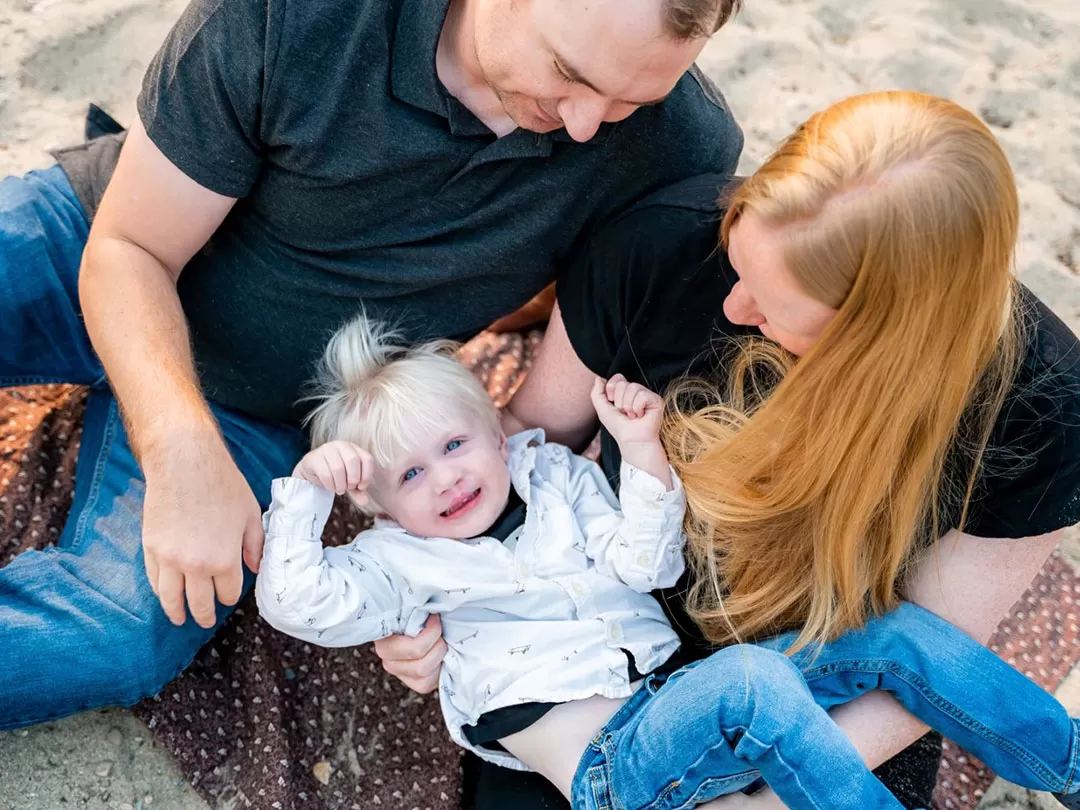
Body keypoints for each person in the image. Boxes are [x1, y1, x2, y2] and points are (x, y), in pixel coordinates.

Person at [0, 0, 745, 727]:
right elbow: (133, 248)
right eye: (568, 73)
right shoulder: (300, 15)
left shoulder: (681, 143)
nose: (588, 123)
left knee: (116, 636)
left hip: (266, 412)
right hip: (104, 250)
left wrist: (474, 588)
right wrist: (178, 450)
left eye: (630, 101)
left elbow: (581, 344)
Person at [376, 90, 1080, 810]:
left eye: (776, 309)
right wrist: (426, 615)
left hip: (830, 673)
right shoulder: (658, 245)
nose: (736, 309)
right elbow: (530, 440)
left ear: (880, 341)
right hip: (613, 648)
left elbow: (936, 647)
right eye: (739, 261)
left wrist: (763, 804)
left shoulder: (1041, 401)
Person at [258, 314, 1080, 810]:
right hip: (613, 774)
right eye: (409, 475)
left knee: (893, 639)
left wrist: (640, 453)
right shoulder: (395, 564)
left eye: (454, 444)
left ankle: (1070, 765)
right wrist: (304, 497)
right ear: (375, 503)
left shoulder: (556, 477)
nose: (446, 478)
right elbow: (297, 604)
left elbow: (645, 564)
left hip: (676, 711)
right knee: (751, 683)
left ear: (490, 427)